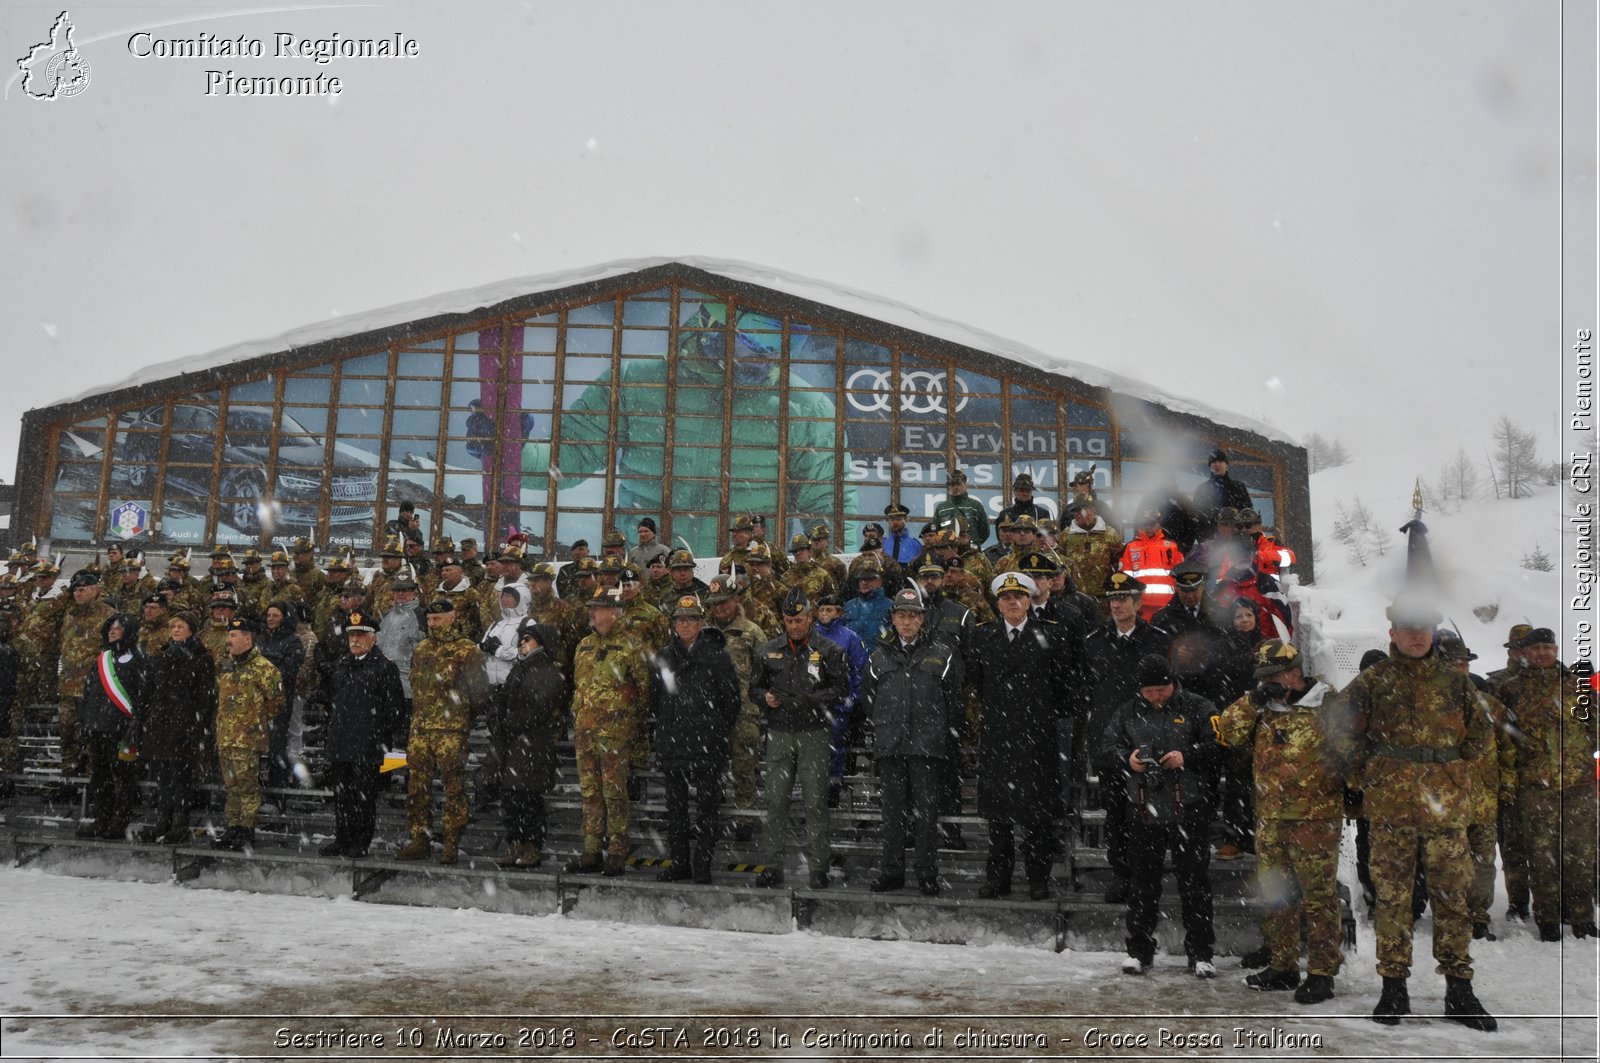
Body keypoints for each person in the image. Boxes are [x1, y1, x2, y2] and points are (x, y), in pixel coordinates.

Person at [1344, 596, 1496, 1030]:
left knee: (1453, 899)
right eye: (1408, 629)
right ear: (1391, 633)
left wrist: (1452, 776)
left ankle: (1459, 990)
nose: (1416, 636)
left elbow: (1480, 737)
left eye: (1423, 629)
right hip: (1392, 813)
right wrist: (1369, 779)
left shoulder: (1456, 683)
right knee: (1393, 901)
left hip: (1445, 813)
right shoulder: (1373, 683)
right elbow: (1340, 735)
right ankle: (1394, 989)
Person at [1220, 640, 1349, 1003]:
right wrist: (1254, 700)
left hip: (1315, 820)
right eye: (1262, 678)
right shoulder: (1263, 707)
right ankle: (1283, 965)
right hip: (1271, 818)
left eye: (1273, 676)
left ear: (1294, 673)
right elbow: (1228, 732)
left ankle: (1323, 972)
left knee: (1319, 899)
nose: (1267, 684)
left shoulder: (1327, 704)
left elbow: (1352, 751)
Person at [1100, 655, 1219, 978]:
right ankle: (1138, 950)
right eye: (1149, 691)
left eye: (1161, 689)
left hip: (1188, 806)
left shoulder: (1198, 706)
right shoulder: (1127, 711)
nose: (1155, 696)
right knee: (1142, 883)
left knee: (1194, 883)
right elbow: (1105, 748)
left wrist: (1188, 756)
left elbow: (1221, 744)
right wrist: (1129, 760)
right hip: (1143, 808)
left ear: (1172, 683)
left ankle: (1201, 953)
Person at [967, 572, 1075, 900]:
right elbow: (975, 683)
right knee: (998, 817)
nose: (1012, 602)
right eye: (1005, 598)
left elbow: (1064, 686)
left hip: (1036, 737)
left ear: (1029, 600)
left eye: (1019, 597)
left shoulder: (1051, 635)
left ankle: (1037, 878)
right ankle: (998, 878)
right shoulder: (983, 636)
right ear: (997, 604)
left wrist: (1041, 717)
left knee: (1037, 816)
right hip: (999, 737)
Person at [1494, 627, 1597, 941]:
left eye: (1547, 647)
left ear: (1555, 649)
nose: (1543, 653)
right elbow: (1503, 739)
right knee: (1542, 856)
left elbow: (1595, 726)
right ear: (1525, 652)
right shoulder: (1512, 690)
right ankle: (1548, 920)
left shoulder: (1577, 686)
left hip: (1579, 785)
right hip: (1536, 786)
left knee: (1580, 855)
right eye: (1536, 648)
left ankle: (1582, 919)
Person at [862, 588, 965, 896]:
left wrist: (940, 733)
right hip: (891, 745)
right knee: (892, 814)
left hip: (927, 746)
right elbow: (869, 699)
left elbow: (954, 701)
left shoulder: (942, 653)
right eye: (901, 615)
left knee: (926, 814)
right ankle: (891, 871)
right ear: (893, 618)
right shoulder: (878, 656)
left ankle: (926, 873)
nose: (907, 622)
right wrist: (885, 725)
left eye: (913, 616)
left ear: (922, 618)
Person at [1081, 573, 1171, 902]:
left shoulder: (1157, 640)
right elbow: (1085, 689)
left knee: (1148, 813)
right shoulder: (1094, 641)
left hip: (1148, 736)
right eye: (1112, 599)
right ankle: (1121, 875)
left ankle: (1147, 876)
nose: (1116, 604)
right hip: (1110, 741)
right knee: (1116, 813)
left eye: (1124, 598)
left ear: (1137, 603)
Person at [750, 590, 849, 890]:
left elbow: (840, 689)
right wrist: (765, 698)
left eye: (800, 620)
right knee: (775, 803)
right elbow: (753, 689)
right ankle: (772, 866)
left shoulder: (828, 650)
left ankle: (818, 867)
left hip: (813, 734)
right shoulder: (768, 651)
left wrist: (812, 699)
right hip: (779, 733)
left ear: (810, 618)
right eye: (789, 620)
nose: (794, 626)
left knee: (815, 803)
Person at [651, 595, 742, 884]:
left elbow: (731, 700)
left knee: (707, 809)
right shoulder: (664, 656)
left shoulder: (717, 655)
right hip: (673, 742)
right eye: (680, 619)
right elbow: (656, 698)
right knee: (675, 811)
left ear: (701, 623)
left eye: (690, 619)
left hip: (707, 744)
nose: (685, 625)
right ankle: (679, 863)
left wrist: (712, 728)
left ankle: (702, 864)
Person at [1434, 632, 1516, 942]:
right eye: (1453, 663)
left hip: (1482, 801)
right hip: (1444, 803)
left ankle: (1479, 916)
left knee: (1483, 863)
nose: (1460, 668)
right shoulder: (1429, 706)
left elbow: (1508, 750)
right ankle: (1452, 916)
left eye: (1464, 663)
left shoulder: (1489, 706)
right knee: (1447, 863)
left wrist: (1506, 786)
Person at [394, 599, 488, 866]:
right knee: (417, 788)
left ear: (452, 618)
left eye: (438, 619)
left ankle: (451, 843)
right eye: (430, 620)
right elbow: (415, 685)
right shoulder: (422, 649)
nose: (433, 624)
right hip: (421, 728)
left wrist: (460, 720)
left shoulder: (466, 650)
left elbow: (479, 692)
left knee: (453, 789)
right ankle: (419, 839)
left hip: (451, 730)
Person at [566, 588, 651, 876]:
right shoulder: (584, 645)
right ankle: (591, 849)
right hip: (586, 731)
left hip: (615, 733)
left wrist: (630, 724)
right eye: (591, 606)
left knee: (614, 792)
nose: (592, 612)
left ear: (613, 613)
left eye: (598, 607)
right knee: (590, 792)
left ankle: (616, 848)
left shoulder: (631, 645)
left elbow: (643, 691)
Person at [319, 608, 405, 858]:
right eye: (351, 635)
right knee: (342, 796)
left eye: (360, 635)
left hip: (368, 745)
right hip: (342, 743)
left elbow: (394, 709)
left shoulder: (384, 667)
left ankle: (360, 841)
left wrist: (381, 740)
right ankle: (342, 838)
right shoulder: (343, 664)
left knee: (364, 798)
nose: (354, 640)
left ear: (373, 638)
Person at [137, 611, 215, 844]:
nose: (176, 630)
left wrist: (199, 726)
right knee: (162, 778)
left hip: (185, 725)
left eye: (180, 626)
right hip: (160, 725)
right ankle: (162, 821)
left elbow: (206, 697)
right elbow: (149, 690)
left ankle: (179, 824)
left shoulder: (201, 657)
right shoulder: (161, 655)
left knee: (180, 779)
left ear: (192, 629)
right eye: (173, 627)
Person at [493, 619, 566, 869]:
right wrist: (500, 716)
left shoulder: (548, 672)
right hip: (515, 744)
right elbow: (505, 700)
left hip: (534, 744)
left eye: (528, 639)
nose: (522, 643)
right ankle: (516, 843)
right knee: (511, 797)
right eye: (521, 639)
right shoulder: (520, 669)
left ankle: (532, 846)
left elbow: (540, 709)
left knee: (528, 798)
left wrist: (510, 721)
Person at [704, 576, 770, 843]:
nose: (718, 608)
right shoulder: (703, 632)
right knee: (711, 769)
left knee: (744, 767)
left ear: (736, 600)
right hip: (711, 713)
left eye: (723, 602)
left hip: (744, 712)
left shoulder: (752, 632)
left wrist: (760, 706)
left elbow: (766, 672)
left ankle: (745, 817)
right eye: (714, 604)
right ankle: (712, 817)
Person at [212, 616, 286, 852]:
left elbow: (276, 703)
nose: (229, 640)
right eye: (229, 635)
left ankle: (246, 830)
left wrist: (253, 721)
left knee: (247, 787)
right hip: (226, 736)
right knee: (231, 787)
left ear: (247, 639)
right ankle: (233, 826)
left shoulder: (264, 668)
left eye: (234, 635)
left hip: (248, 738)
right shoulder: (226, 664)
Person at [75, 613, 147, 840]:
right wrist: (84, 721)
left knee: (123, 777)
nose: (112, 631)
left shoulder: (138, 658)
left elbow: (143, 695)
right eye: (110, 628)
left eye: (118, 628)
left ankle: (119, 819)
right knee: (100, 776)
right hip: (97, 727)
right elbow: (88, 692)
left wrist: (136, 725)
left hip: (123, 729)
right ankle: (101, 818)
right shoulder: (101, 659)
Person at [53, 569, 117, 789]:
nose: (78, 594)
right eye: (76, 590)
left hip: (93, 688)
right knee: (67, 733)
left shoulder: (108, 615)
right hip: (68, 685)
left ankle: (91, 784)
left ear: (95, 590)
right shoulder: (69, 614)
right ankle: (68, 779)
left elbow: (113, 651)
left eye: (83, 590)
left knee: (91, 737)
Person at [1117, 509, 1184, 622]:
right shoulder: (1130, 547)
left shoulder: (1172, 547)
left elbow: (1181, 576)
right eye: (1145, 523)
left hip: (1167, 605)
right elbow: (1123, 579)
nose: (1148, 527)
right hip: (1139, 607)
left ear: (1159, 524)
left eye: (1152, 523)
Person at [1190, 449, 1254, 542]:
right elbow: (1196, 517)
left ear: (1226, 466)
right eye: (1214, 462)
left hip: (1236, 540)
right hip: (1210, 542)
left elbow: (1247, 512)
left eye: (1220, 461)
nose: (1217, 464)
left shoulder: (1238, 487)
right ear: (1210, 467)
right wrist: (1204, 539)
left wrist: (1242, 532)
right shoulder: (1202, 489)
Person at [931, 469, 990, 548]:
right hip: (948, 553)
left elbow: (985, 532)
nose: (956, 487)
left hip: (971, 553)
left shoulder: (975, 506)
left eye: (958, 484)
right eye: (953, 485)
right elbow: (935, 531)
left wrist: (973, 544)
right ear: (949, 488)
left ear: (965, 485)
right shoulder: (941, 507)